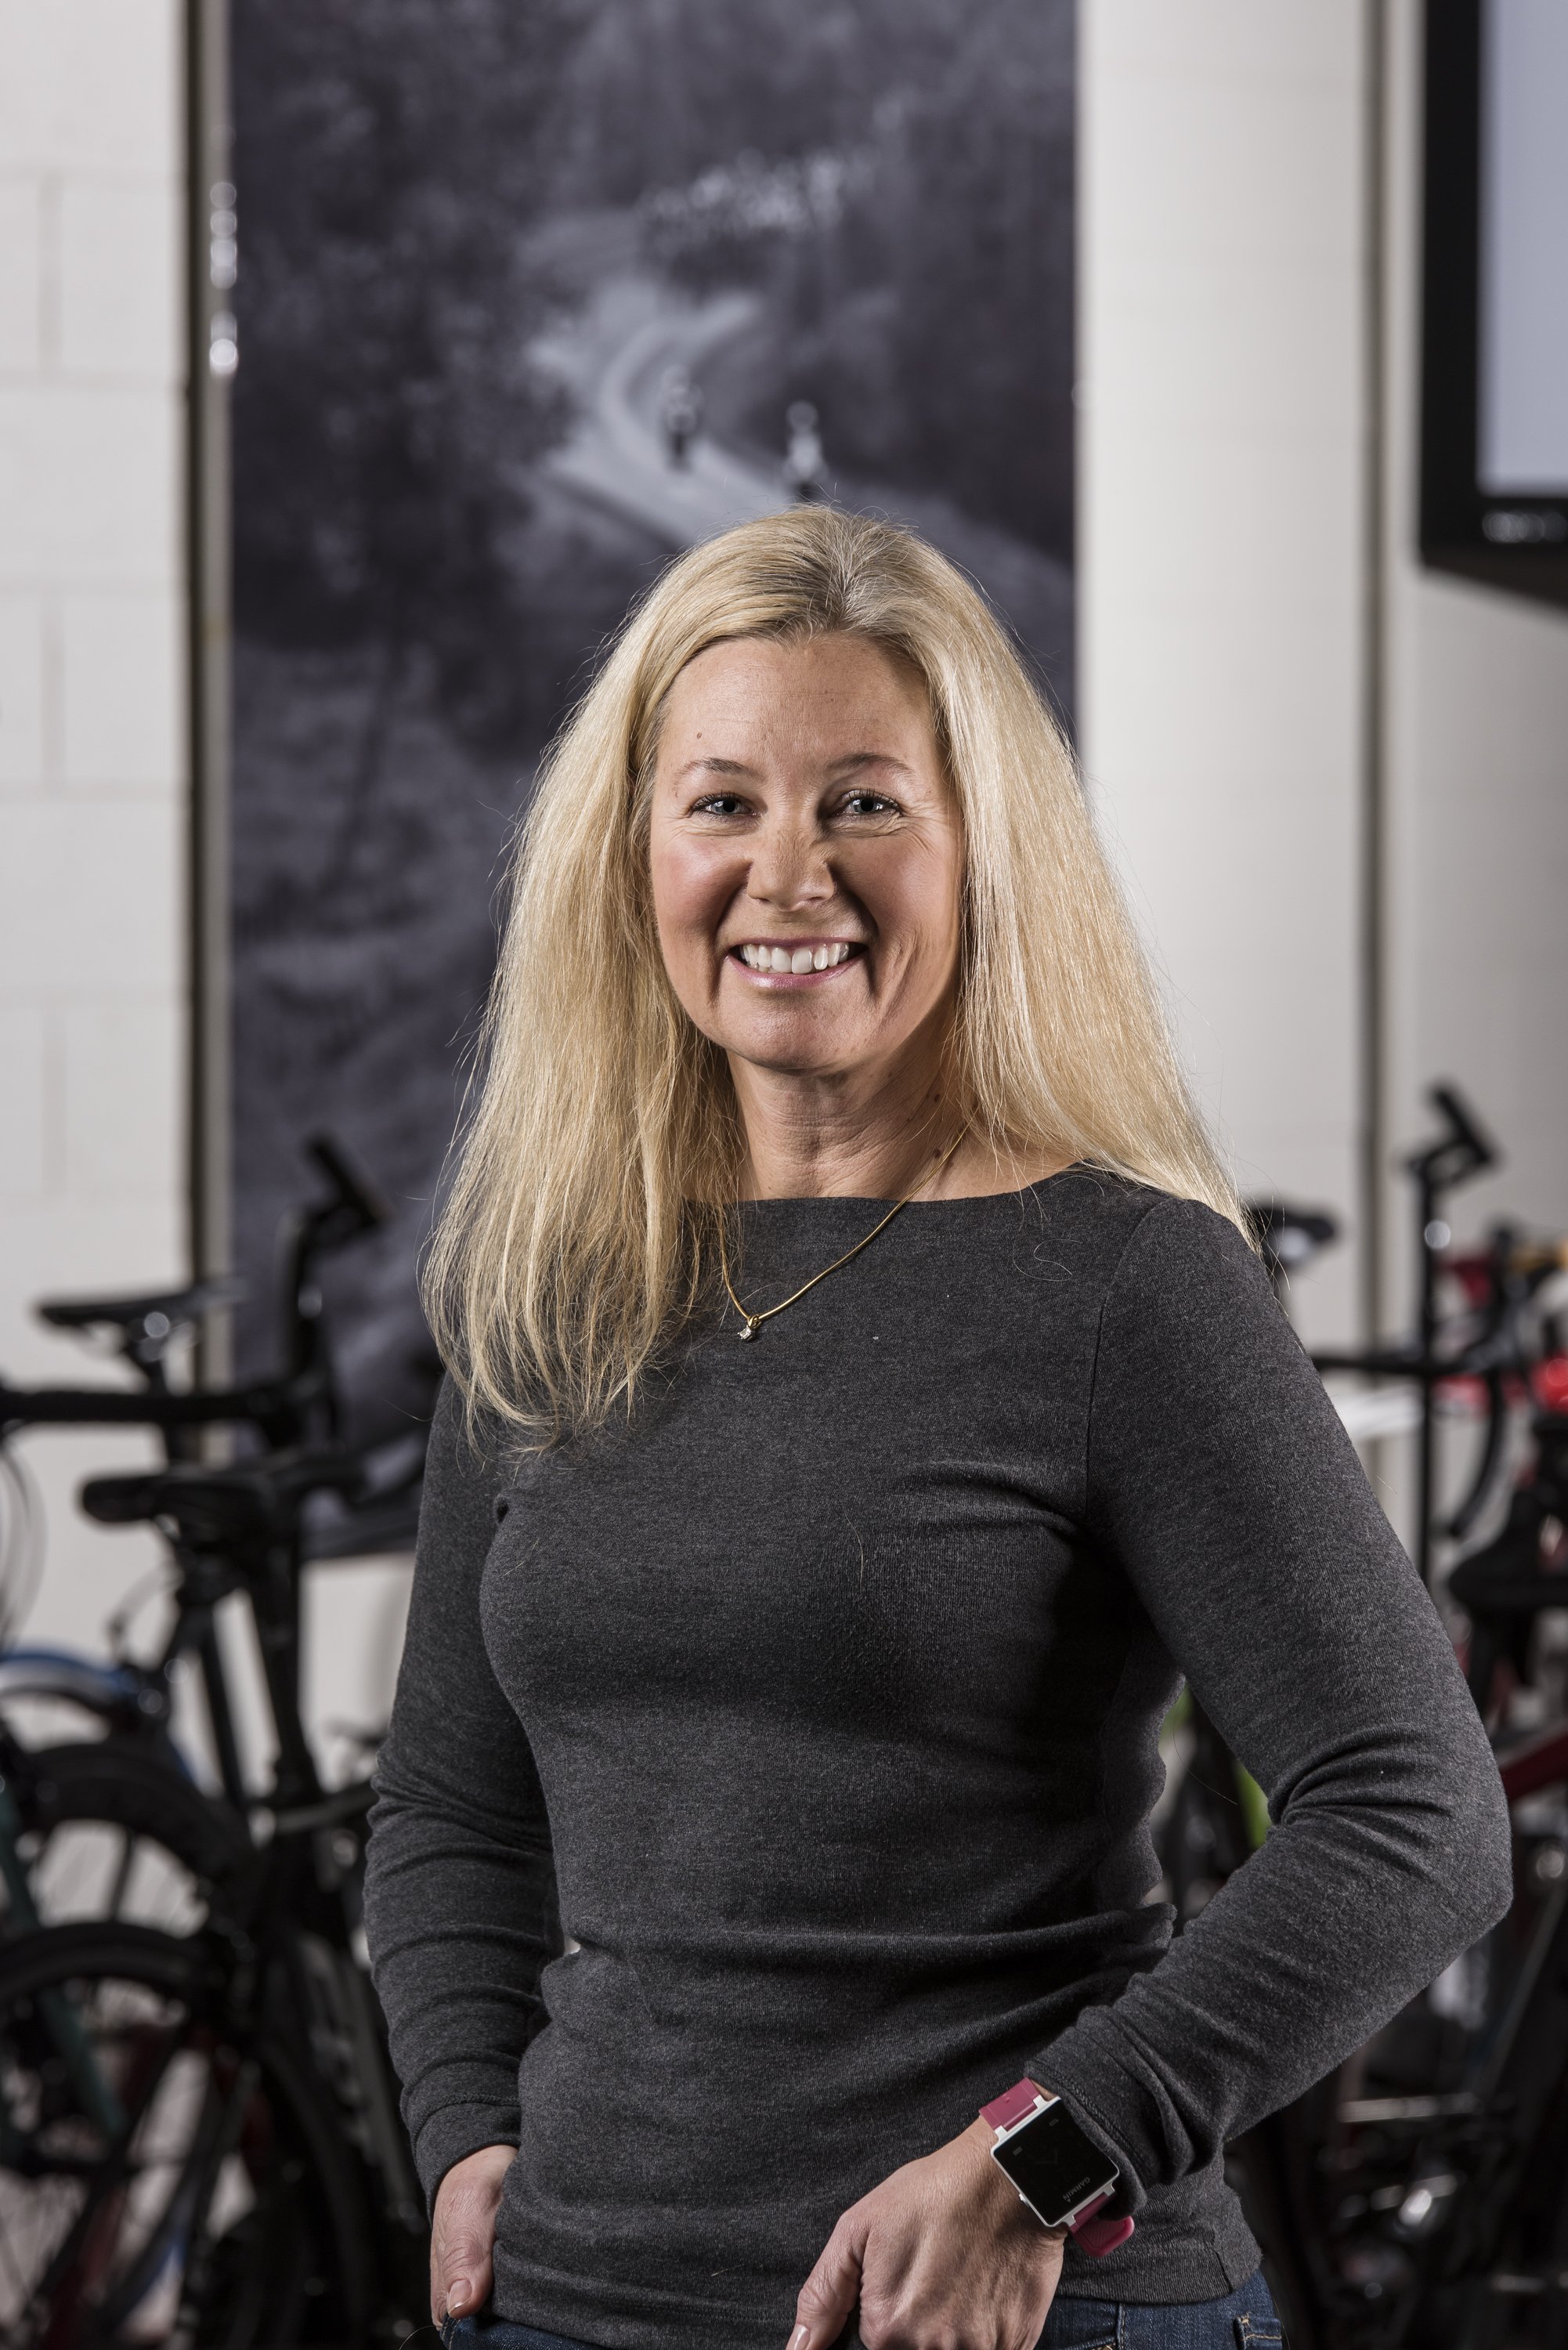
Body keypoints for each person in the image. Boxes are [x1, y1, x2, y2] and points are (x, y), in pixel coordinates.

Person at [363, 507, 1510, 2350]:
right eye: (720, 801)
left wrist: (1041, 2163)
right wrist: (461, 2132)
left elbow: (1419, 1819)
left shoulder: (1125, 1282)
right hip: (573, 2302)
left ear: (984, 854)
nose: (785, 874)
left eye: (866, 803)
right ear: (634, 849)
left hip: (1011, 2310)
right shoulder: (539, 1289)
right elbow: (445, 1809)